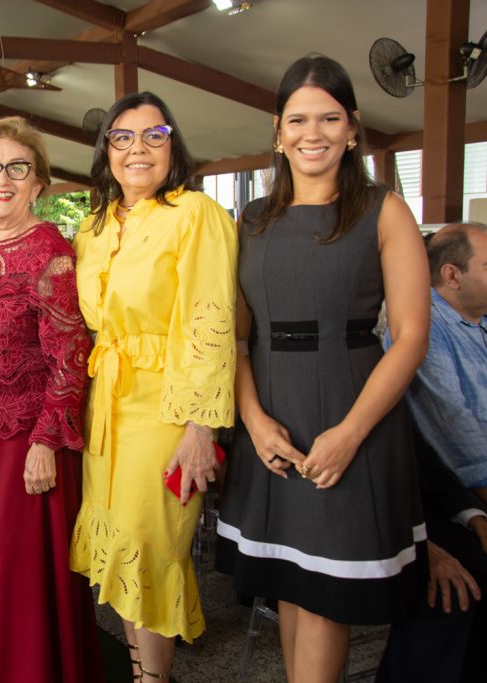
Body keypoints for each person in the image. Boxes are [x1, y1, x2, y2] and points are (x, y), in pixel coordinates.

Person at [216, 55, 429, 682]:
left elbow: (412, 337)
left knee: (328, 598)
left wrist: (350, 432)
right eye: (299, 119)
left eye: (329, 118)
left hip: (353, 414)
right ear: (276, 130)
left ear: (354, 128)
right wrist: (252, 421)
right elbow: (235, 336)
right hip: (272, 421)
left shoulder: (384, 211)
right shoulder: (250, 219)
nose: (314, 133)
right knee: (290, 582)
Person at [68, 91, 238, 680]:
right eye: (123, 138)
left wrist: (200, 427)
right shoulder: (92, 227)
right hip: (106, 404)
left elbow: (210, 320)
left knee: (152, 547)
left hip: (167, 406)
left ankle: (152, 678)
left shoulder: (195, 214)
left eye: (153, 136)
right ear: (106, 149)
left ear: (173, 145)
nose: (138, 149)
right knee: (119, 546)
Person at [0, 116, 102, 683]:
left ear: (38, 184)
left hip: (26, 442)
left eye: (17, 167)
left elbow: (70, 358)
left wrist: (44, 442)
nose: (2, 178)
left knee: (19, 577)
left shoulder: (50, 252)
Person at [384, 223, 487, 502]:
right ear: (451, 275)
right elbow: (455, 430)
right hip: (461, 491)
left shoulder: (479, 316)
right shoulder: (423, 327)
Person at [375, 430, 487, 683]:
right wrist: (421, 547)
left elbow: (425, 461)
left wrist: (476, 517)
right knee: (450, 589)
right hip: (355, 525)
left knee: (479, 561)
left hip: (409, 511)